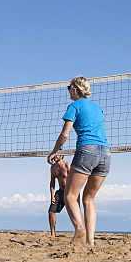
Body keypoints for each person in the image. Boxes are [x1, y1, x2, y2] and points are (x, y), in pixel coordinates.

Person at [47, 76, 110, 247]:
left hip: (87, 151)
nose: (68, 90)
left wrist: (53, 152)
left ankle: (79, 228)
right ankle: (90, 242)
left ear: (74, 89)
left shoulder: (74, 106)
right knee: (89, 199)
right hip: (105, 153)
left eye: (69, 87)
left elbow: (65, 134)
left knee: (69, 195)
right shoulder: (98, 108)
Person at [47, 154, 70, 237]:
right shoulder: (53, 168)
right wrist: (52, 195)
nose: (55, 156)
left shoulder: (67, 165)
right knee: (51, 211)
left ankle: (79, 231)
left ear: (62, 155)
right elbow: (52, 182)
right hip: (60, 192)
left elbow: (75, 179)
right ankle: (53, 233)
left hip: (71, 192)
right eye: (54, 155)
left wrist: (73, 193)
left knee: (75, 212)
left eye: (57, 155)